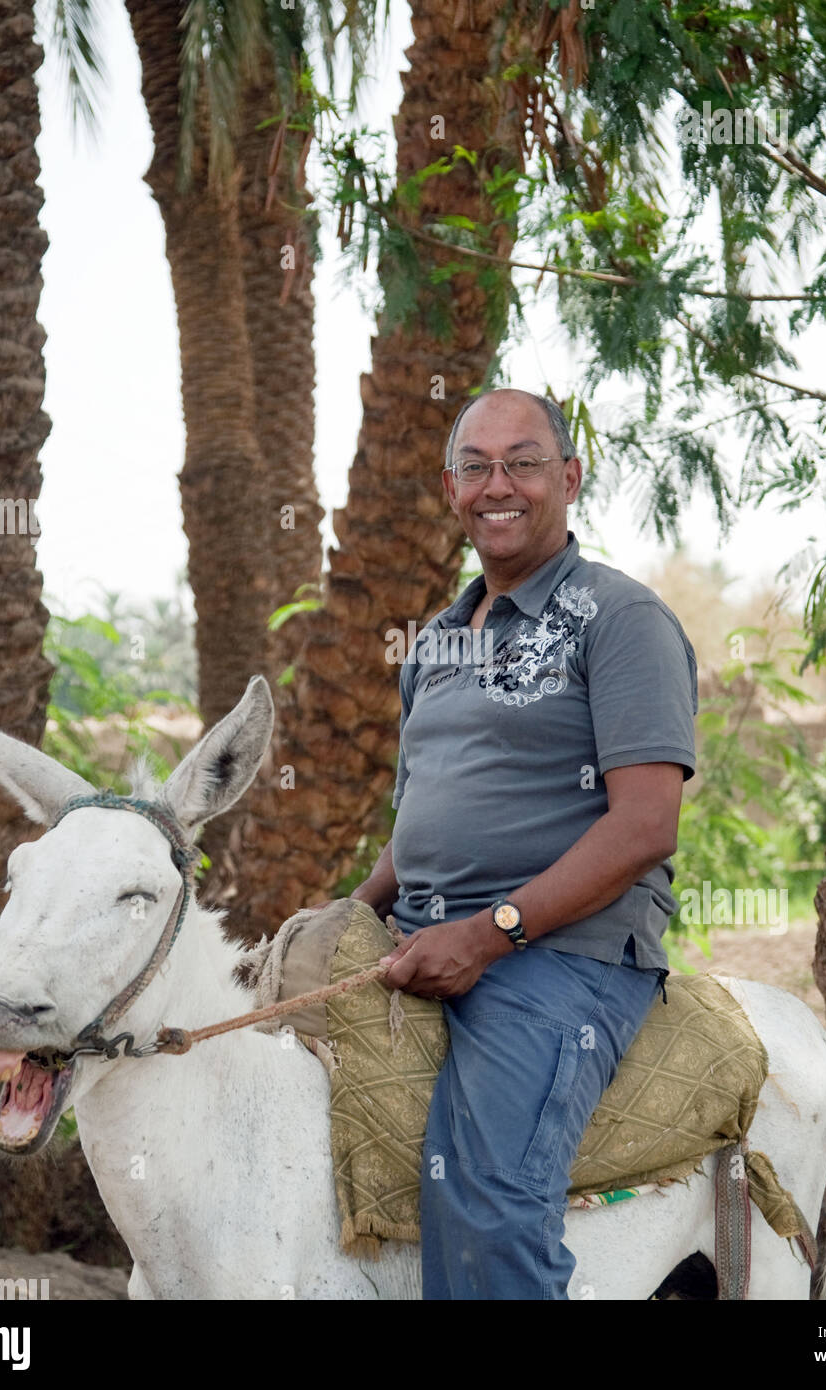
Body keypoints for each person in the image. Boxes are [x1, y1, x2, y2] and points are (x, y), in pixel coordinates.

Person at [349, 387, 698, 1299]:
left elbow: (644, 824)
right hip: (421, 934)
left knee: (487, 1198)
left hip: (559, 956)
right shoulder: (434, 641)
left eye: (524, 463)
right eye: (476, 466)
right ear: (450, 488)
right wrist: (347, 917)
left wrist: (489, 931)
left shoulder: (620, 620)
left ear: (570, 478)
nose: (497, 485)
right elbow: (417, 819)